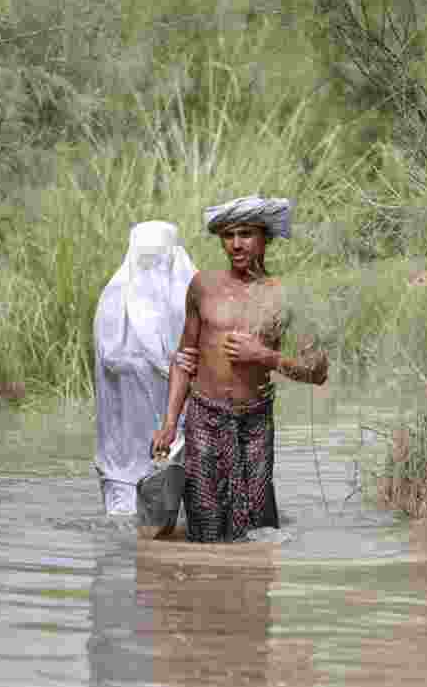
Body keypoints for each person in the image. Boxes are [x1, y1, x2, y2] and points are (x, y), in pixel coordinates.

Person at [151, 195, 329, 542]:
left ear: (266, 238)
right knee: (205, 528)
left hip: (255, 424)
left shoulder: (283, 296)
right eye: (228, 236)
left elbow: (317, 371)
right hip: (204, 419)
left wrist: (265, 356)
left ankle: (253, 592)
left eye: (246, 234)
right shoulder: (203, 286)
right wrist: (170, 424)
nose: (236, 244)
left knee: (258, 530)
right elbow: (184, 359)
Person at [93, 221, 198, 516]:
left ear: (174, 255)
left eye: (158, 259)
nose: (152, 269)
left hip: (177, 418)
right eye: (145, 259)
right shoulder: (114, 300)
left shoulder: (193, 296)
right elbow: (109, 360)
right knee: (126, 510)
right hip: (125, 428)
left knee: (182, 500)